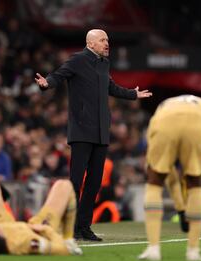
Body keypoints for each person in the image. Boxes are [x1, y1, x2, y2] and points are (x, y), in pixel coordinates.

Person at [35, 29, 152, 241]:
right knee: (75, 181)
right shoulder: (78, 60)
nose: (107, 43)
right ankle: (69, 226)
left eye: (108, 39)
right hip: (81, 131)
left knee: (95, 183)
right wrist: (46, 84)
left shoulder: (103, 64)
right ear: (90, 43)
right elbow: (58, 75)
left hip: (100, 132)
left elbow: (111, 88)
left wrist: (133, 94)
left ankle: (83, 227)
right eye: (102, 40)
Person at [138, 95, 201, 261]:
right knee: (195, 185)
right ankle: (193, 251)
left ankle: (154, 249)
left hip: (163, 123)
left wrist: (181, 209)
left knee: (154, 183)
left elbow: (169, 175)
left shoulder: (162, 106)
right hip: (196, 124)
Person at [0, 177, 82, 255]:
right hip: (35, 229)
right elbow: (62, 250)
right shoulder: (25, 243)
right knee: (64, 185)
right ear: (4, 237)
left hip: (1, 219)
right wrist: (47, 231)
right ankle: (68, 238)